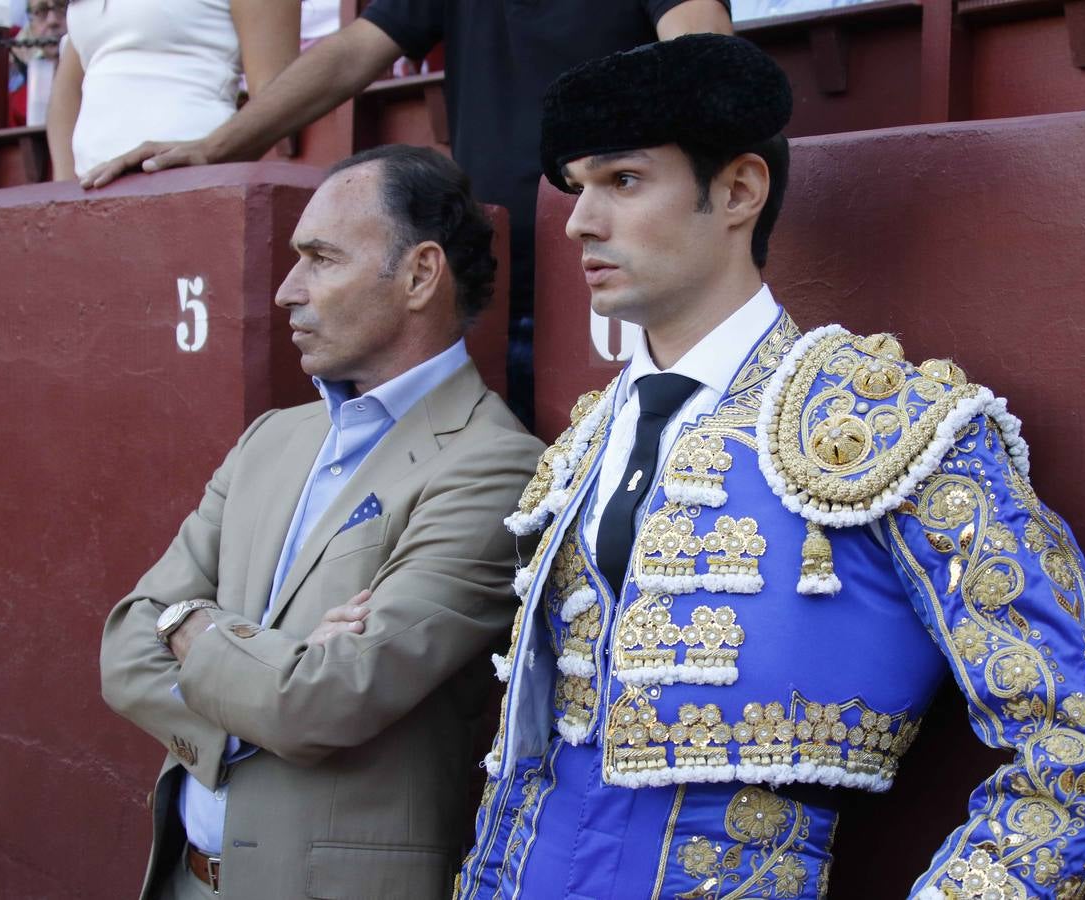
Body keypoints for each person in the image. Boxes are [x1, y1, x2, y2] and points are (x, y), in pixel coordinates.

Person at [459, 34, 1085, 899]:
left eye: (624, 182)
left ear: (741, 190)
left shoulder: (888, 423)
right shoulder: (586, 440)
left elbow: (1083, 743)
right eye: (577, 187)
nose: (579, 222)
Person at [100, 145, 544, 900]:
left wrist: (196, 632)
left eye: (320, 259)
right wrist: (277, 663)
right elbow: (124, 646)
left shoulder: (495, 463)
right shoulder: (272, 437)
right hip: (183, 878)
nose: (285, 291)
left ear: (420, 274)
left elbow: (322, 701)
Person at [74, 0, 733, 426]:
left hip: (610, 268)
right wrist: (216, 146)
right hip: (491, 273)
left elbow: (704, 60)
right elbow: (352, 53)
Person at [46, 0, 299, 181]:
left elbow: (276, 94)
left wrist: (213, 152)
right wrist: (64, 186)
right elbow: (67, 88)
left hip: (189, 179)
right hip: (89, 188)